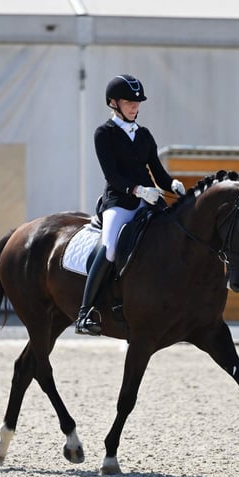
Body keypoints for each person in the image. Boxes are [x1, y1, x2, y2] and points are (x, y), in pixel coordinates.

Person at [75, 74, 186, 336]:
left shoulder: (144, 135)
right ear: (113, 103)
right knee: (111, 247)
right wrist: (138, 190)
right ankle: (85, 312)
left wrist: (172, 185)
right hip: (120, 202)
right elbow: (112, 175)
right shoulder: (104, 134)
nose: (135, 107)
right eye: (129, 103)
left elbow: (158, 173)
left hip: (149, 201)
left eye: (137, 103)